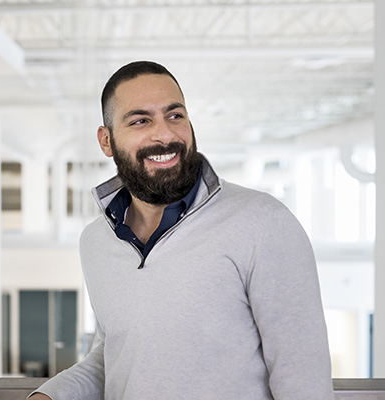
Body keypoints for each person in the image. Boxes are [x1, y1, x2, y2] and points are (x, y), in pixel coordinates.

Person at [29, 61, 334, 399]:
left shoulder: (263, 223)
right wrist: (50, 395)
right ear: (106, 141)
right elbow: (118, 352)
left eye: (175, 116)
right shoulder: (96, 241)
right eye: (141, 120)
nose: (165, 134)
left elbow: (303, 380)